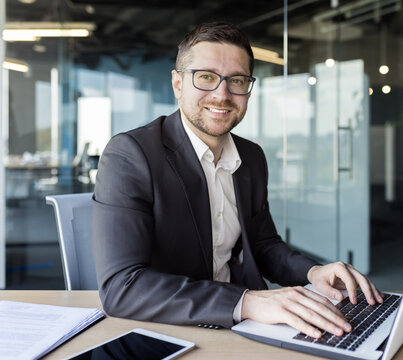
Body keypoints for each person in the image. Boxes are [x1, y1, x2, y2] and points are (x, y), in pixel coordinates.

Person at [92, 21, 383, 340]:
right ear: (178, 84)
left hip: (242, 325)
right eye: (205, 77)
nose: (222, 94)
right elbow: (122, 288)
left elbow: (263, 244)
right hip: (168, 330)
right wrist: (246, 301)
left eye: (237, 80)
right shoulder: (131, 155)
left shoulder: (251, 157)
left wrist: (314, 272)